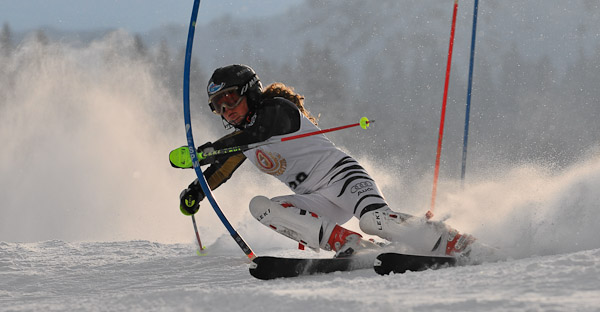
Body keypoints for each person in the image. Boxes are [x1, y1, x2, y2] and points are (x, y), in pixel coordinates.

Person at [178, 64, 475, 258]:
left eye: (231, 99)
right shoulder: (243, 140)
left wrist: (207, 149)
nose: (226, 110)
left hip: (344, 179)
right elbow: (219, 171)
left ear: (250, 92)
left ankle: (452, 240)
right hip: (316, 200)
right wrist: (195, 191)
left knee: (373, 220)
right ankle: (353, 247)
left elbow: (258, 133)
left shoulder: (276, 111)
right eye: (218, 106)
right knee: (261, 206)